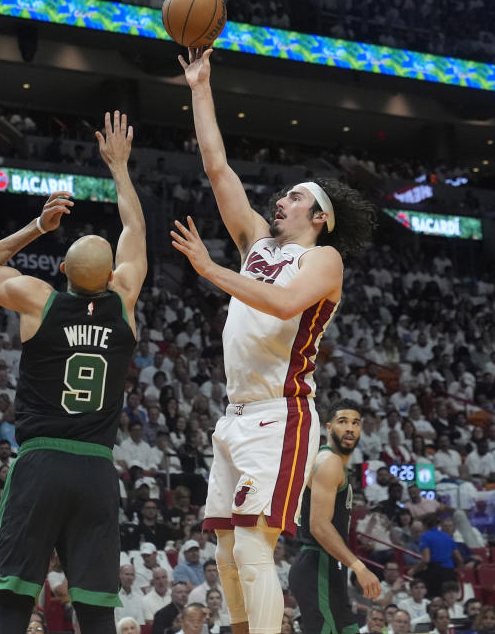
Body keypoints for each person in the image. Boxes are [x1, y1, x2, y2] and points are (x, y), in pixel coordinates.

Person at [174, 46, 376, 634]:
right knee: (226, 554)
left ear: (320, 215)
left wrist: (211, 270)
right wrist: (200, 86)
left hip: (280, 415)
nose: (280, 200)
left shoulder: (326, 260)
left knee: (255, 548)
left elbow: (285, 303)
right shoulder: (258, 244)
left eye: (295, 196)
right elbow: (218, 168)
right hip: (234, 416)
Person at [0, 111, 146, 634]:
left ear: (62, 271)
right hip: (96, 470)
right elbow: (135, 226)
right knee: (94, 608)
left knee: (13, 598)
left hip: (41, 461)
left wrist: (37, 227)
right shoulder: (124, 301)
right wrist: (118, 166)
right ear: (112, 274)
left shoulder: (39, 302)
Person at [289, 401, 380, 634]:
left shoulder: (338, 464)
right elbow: (319, 526)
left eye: (355, 423)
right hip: (316, 564)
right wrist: (359, 567)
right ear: (329, 428)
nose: (350, 428)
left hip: (331, 567)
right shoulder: (328, 461)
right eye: (342, 422)